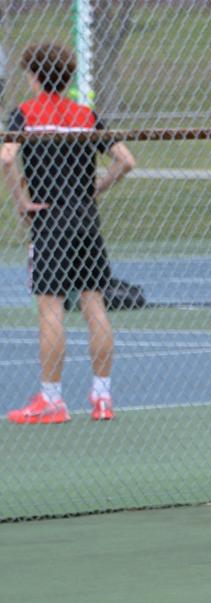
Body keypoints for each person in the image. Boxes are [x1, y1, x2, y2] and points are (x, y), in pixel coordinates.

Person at [2, 43, 135, 424]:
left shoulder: (25, 114)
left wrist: (22, 201)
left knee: (51, 307)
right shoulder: (85, 115)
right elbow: (126, 160)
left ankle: (52, 399)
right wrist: (99, 187)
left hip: (50, 220)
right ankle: (103, 397)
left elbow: (6, 157)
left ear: (34, 76)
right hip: (85, 219)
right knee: (95, 304)